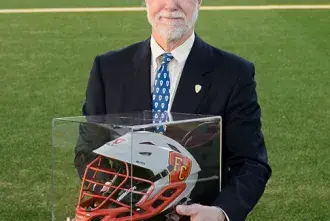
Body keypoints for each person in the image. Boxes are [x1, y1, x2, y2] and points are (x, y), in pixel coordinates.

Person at [78, 0, 272, 220]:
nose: (170, 5)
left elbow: (250, 162)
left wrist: (220, 212)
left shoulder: (233, 74)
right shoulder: (108, 68)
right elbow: (88, 150)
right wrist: (109, 201)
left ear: (199, 1)